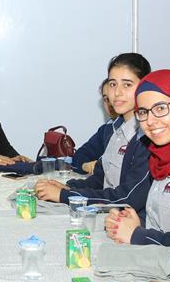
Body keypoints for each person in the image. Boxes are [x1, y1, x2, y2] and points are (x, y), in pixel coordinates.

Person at [104, 69, 170, 282]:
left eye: (160, 108)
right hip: (156, 274)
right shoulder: (160, 158)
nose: (150, 121)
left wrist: (139, 235)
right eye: (143, 112)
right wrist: (134, 222)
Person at [36, 53, 152, 206]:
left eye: (127, 85)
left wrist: (65, 195)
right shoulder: (116, 129)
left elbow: (128, 198)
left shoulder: (147, 136)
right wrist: (69, 187)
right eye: (113, 84)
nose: (117, 92)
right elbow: (100, 179)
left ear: (144, 87)